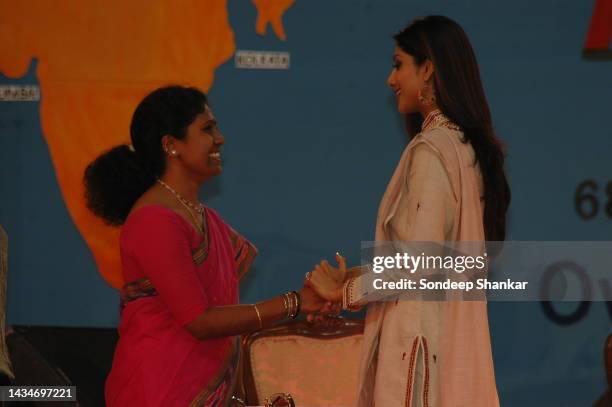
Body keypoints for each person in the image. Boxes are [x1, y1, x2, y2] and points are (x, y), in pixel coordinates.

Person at [307, 15, 511, 407]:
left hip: (419, 354)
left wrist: (346, 291)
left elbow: (418, 264)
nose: (391, 78)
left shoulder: (433, 150)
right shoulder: (466, 148)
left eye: (398, 64)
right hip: (445, 347)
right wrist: (351, 277)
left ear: (428, 69)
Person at [83, 86, 327, 406]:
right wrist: (296, 302)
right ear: (171, 145)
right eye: (207, 129)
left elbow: (225, 314)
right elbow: (200, 320)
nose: (220, 138)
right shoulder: (153, 220)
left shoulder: (202, 216)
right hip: (160, 391)